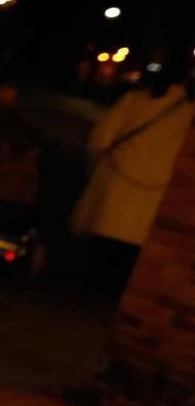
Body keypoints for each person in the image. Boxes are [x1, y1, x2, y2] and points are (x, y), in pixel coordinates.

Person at [71, 66, 193, 294]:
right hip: (155, 191)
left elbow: (102, 137)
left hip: (116, 181)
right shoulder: (188, 114)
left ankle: (90, 285)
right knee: (130, 251)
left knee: (102, 243)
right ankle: (114, 291)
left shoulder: (134, 100)